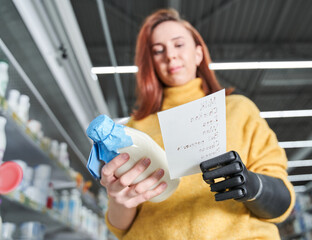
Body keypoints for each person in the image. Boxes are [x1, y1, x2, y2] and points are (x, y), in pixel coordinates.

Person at [100, 8, 295, 240]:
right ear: (150, 63)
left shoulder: (237, 110)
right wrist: (119, 197)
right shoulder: (134, 129)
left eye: (179, 44)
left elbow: (282, 204)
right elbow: (121, 228)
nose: (170, 56)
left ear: (199, 54)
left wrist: (252, 184)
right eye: (158, 51)